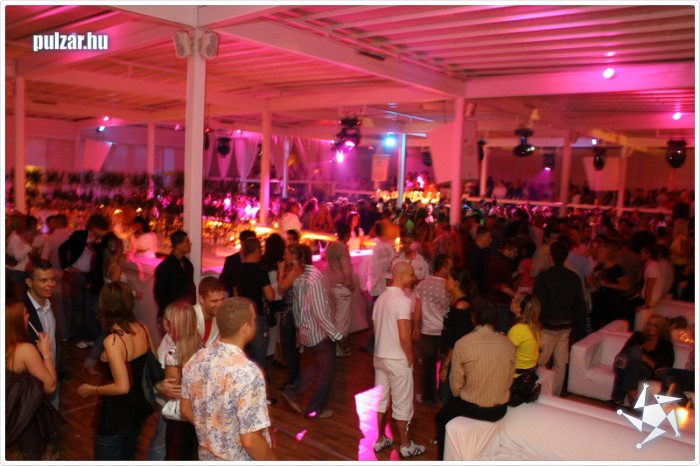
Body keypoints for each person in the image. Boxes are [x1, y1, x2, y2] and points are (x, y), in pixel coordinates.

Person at [181, 297, 277, 461]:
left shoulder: (196, 359)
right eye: (253, 319)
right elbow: (250, 440)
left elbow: (185, 409)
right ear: (246, 328)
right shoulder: (248, 372)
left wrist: (214, 432)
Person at [76, 282, 156, 460]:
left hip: (117, 414)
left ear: (105, 307)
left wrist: (91, 389)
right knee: (128, 456)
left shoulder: (113, 341)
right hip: (139, 408)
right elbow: (152, 364)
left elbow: (122, 387)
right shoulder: (142, 327)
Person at [435, 296, 516, 460]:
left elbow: (455, 385)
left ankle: (443, 459)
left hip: (474, 407)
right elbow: (509, 378)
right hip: (500, 409)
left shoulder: (463, 343)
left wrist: (466, 394)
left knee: (441, 417)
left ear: (474, 317)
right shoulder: (508, 344)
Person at [280, 245, 348, 419]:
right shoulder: (314, 278)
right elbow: (319, 313)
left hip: (309, 332)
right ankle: (314, 409)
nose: (287, 260)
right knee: (326, 372)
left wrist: (299, 331)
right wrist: (338, 336)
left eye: (290, 257)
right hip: (320, 334)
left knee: (319, 366)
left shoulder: (300, 277)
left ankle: (293, 392)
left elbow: (297, 308)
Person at [372, 262, 425, 458]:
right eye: (411, 274)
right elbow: (404, 335)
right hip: (397, 359)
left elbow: (376, 331)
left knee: (381, 401)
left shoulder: (380, 299)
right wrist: (410, 356)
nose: (413, 278)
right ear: (401, 276)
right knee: (402, 403)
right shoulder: (402, 301)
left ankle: (380, 439)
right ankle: (406, 446)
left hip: (380, 357)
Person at [5, 300, 62, 461]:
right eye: (24, 314)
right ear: (15, 321)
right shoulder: (23, 350)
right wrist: (46, 353)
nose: (28, 316)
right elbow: (50, 386)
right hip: (22, 418)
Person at [534, 240, 587, 396]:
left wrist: (536, 322)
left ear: (550, 257)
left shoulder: (544, 277)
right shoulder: (573, 277)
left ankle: (539, 392)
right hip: (566, 326)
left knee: (540, 362)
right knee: (561, 363)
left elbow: (538, 303)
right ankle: (555, 394)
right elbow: (579, 305)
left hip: (547, 326)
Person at [162, 302, 202, 460]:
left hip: (181, 417)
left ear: (169, 325)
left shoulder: (174, 354)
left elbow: (171, 392)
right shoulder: (201, 345)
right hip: (199, 411)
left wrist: (161, 387)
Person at [412, 254, 452, 406]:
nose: (451, 271)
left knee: (428, 365)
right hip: (445, 330)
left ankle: (428, 397)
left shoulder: (423, 284)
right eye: (449, 268)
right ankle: (442, 395)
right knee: (446, 363)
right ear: (442, 268)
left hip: (427, 330)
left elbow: (417, 309)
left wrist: (416, 328)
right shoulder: (450, 286)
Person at [610, 314, 674, 407]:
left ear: (661, 328)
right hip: (625, 364)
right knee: (635, 350)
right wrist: (632, 358)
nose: (650, 327)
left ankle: (618, 398)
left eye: (654, 325)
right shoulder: (638, 336)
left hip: (645, 371)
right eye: (649, 324)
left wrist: (644, 359)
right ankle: (631, 389)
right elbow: (624, 352)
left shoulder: (666, 345)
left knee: (626, 365)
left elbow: (664, 368)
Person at [23, 259, 60, 409]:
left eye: (52, 279)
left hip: (52, 373)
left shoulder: (52, 302)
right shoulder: (21, 311)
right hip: (32, 385)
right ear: (29, 282)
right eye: (44, 280)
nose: (51, 284)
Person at [235, 237, 275, 371]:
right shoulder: (260, 271)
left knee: (246, 356)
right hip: (257, 317)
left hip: (242, 317)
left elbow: (236, 294)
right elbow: (270, 296)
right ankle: (258, 382)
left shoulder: (238, 269)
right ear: (257, 250)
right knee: (259, 357)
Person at [439, 268, 476, 403]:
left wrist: (446, 365)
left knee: (449, 396)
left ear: (456, 282)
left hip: (455, 357)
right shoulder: (455, 301)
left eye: (448, 279)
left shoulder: (461, 306)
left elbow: (457, 339)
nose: (445, 282)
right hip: (449, 354)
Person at [154, 230, 197, 336]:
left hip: (184, 315)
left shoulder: (187, 265)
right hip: (170, 317)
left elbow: (191, 289)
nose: (190, 244)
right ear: (178, 245)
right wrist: (171, 313)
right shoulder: (165, 267)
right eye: (187, 241)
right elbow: (160, 294)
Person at [277, 244, 305, 386]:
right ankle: (294, 376)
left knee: (288, 344)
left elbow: (281, 288)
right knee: (290, 345)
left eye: (286, 254)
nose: (284, 257)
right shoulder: (299, 269)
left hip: (290, 311)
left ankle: (293, 377)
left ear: (294, 255)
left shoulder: (295, 271)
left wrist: (281, 271)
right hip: (293, 310)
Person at [365, 221, 396, 353]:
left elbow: (372, 270)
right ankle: (382, 344)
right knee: (385, 317)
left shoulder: (375, 248)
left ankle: (374, 344)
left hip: (377, 288)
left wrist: (369, 286)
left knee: (376, 317)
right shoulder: (390, 247)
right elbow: (394, 265)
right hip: (387, 286)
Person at [507, 292, 542, 407]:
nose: (512, 300)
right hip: (528, 373)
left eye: (515, 299)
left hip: (516, 378)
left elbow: (507, 358)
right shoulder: (535, 327)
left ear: (519, 309)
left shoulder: (517, 330)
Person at [325, 223, 355, 357]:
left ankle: (336, 348)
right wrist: (350, 283)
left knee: (338, 318)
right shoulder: (341, 249)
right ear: (347, 234)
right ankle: (339, 348)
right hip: (342, 287)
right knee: (342, 321)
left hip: (332, 286)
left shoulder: (331, 246)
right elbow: (346, 270)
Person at [220, 229, 257, 297]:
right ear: (242, 242)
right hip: (236, 298)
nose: (252, 245)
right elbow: (223, 280)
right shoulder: (232, 260)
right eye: (250, 242)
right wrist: (234, 286)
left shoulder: (258, 260)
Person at [194, 276, 226, 347]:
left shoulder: (221, 317)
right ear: (201, 299)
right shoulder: (189, 317)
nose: (220, 304)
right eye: (214, 301)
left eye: (222, 299)